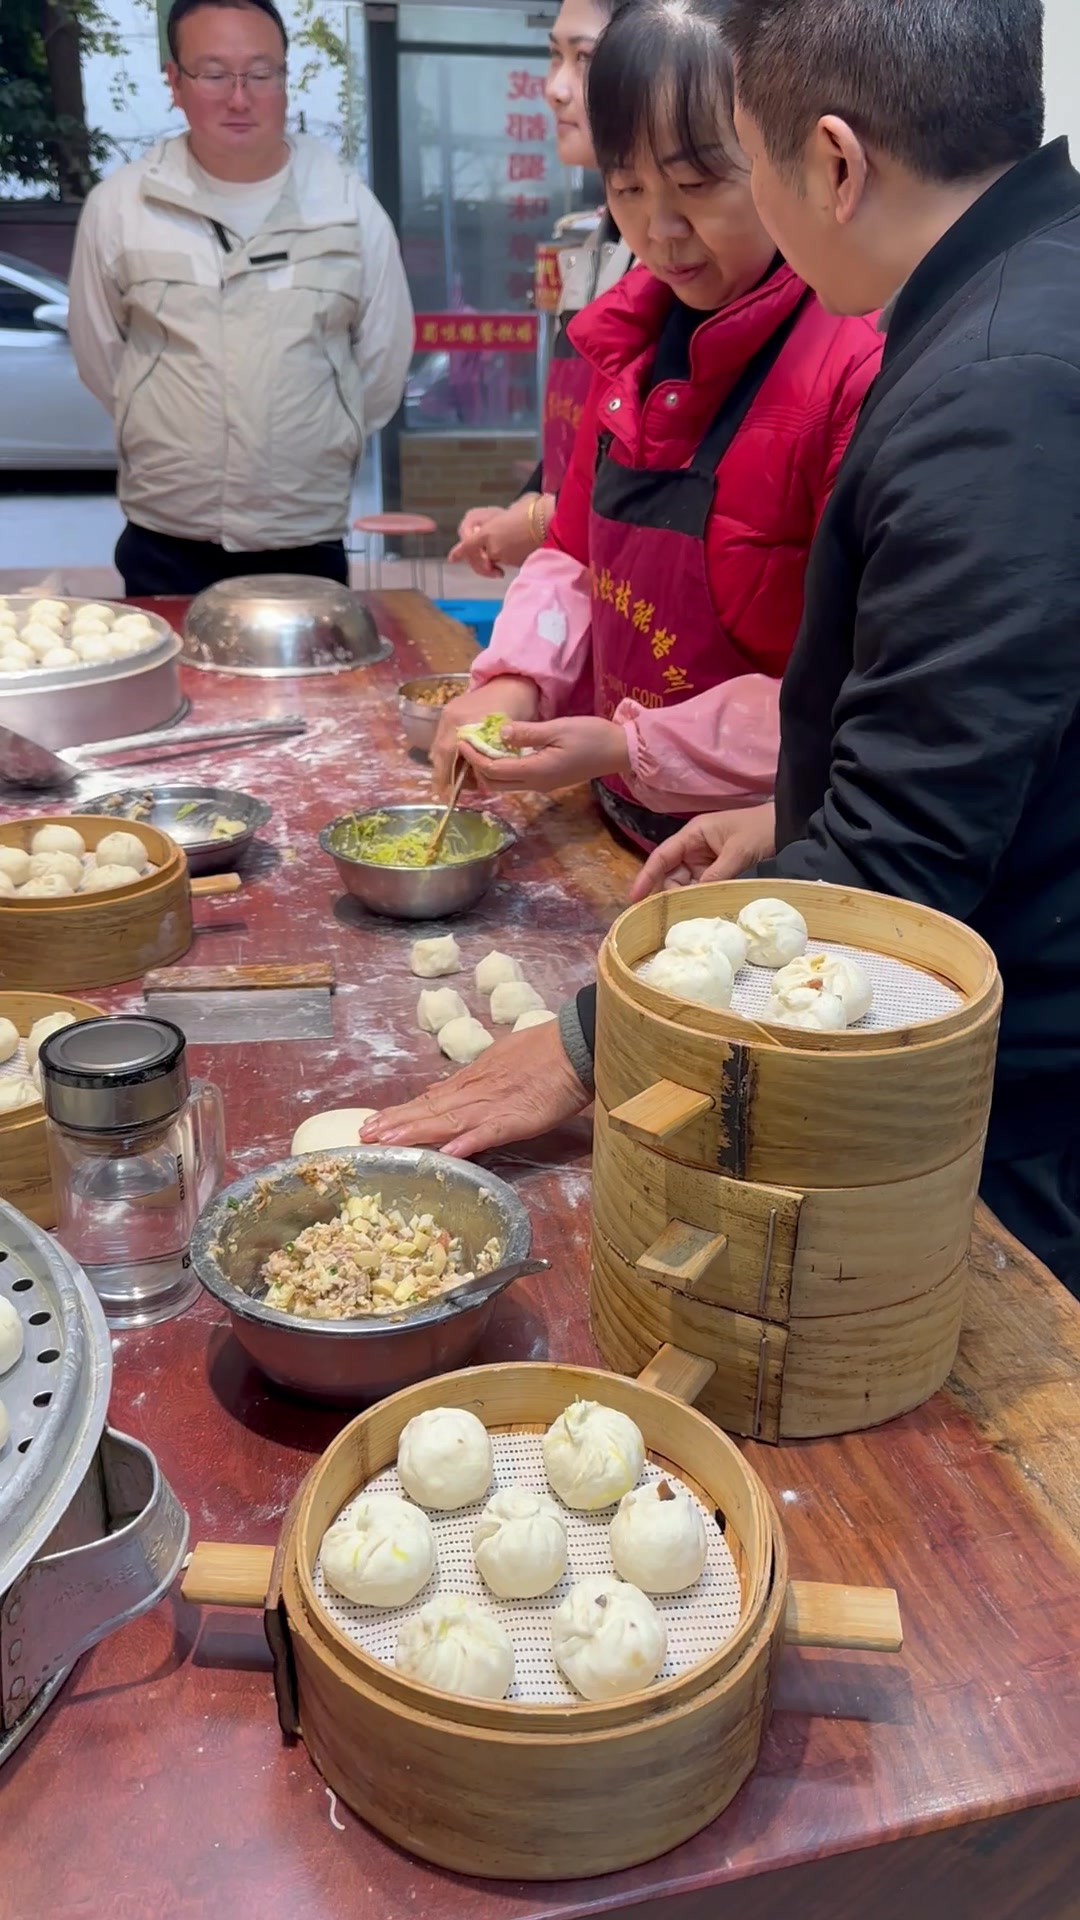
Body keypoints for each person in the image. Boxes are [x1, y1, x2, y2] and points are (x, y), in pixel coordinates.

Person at [365, 0, 1080, 1299]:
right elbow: (979, 722)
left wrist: (592, 1044)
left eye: (735, 164)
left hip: (1018, 1077)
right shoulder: (1023, 289)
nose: (680, 218)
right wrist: (780, 817)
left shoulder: (996, 387)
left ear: (832, 164)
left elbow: (904, 855)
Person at [435, 0, 881, 846]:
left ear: (782, 159)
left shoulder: (849, 372)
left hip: (755, 853)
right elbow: (572, 551)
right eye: (628, 187)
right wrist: (516, 679)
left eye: (697, 185)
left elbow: (850, 690)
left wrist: (634, 745)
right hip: (615, 814)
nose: (661, 231)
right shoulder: (627, 341)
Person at [68, 0, 412, 596]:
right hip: (166, 536)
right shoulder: (122, 208)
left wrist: (325, 433)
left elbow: (382, 365)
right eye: (214, 74)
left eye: (259, 73)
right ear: (174, 81)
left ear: (284, 76)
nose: (239, 97)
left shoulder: (347, 208)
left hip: (304, 535)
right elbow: (104, 359)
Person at [450, 0, 633, 581]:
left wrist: (536, 522)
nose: (555, 88)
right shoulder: (593, 240)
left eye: (585, 60)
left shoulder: (687, 260)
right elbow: (580, 436)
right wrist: (528, 504)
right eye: (555, 56)